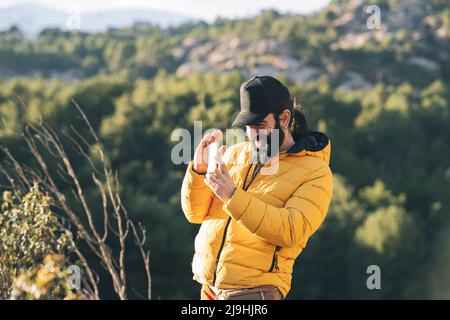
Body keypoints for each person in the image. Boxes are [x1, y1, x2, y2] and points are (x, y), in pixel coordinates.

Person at [181, 75, 333, 300]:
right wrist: (199, 171)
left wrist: (232, 196)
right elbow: (195, 214)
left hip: (256, 292)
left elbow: (291, 231)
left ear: (284, 118)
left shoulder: (316, 172)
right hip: (209, 289)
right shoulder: (235, 153)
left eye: (260, 125)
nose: (253, 134)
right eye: (249, 127)